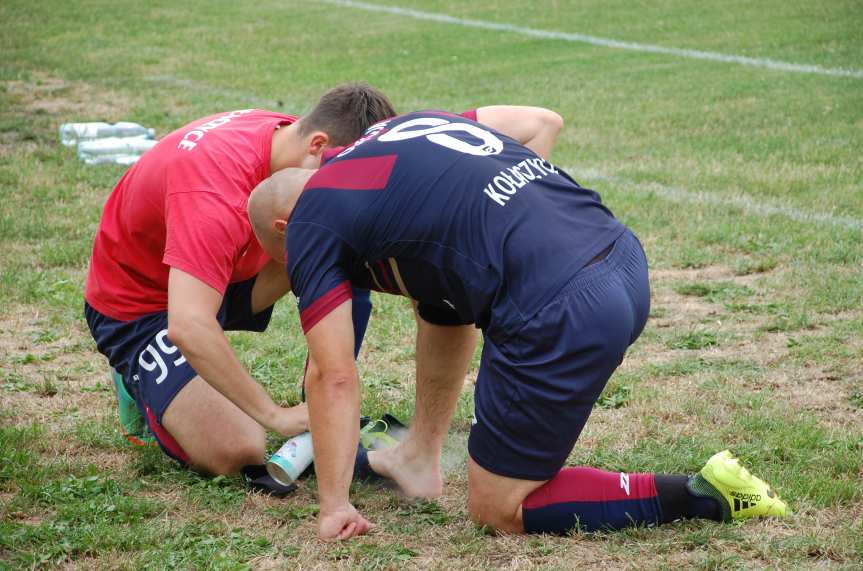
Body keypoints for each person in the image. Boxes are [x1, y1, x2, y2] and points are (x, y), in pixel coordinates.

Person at [248, 107, 789, 540]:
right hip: (621, 257)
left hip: (563, 307)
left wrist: (334, 505)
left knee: (499, 508)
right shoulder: (400, 127)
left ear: (284, 229)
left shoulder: (312, 219)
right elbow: (443, 309)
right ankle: (419, 457)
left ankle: (702, 492)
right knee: (444, 301)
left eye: (286, 263)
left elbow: (333, 375)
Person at [84, 83, 397, 476]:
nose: (342, 193)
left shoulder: (286, 138)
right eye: (340, 176)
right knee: (238, 449)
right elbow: (189, 324)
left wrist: (326, 400)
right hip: (142, 308)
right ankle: (138, 382)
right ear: (318, 145)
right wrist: (276, 415)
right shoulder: (212, 194)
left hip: (215, 278)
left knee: (334, 237)